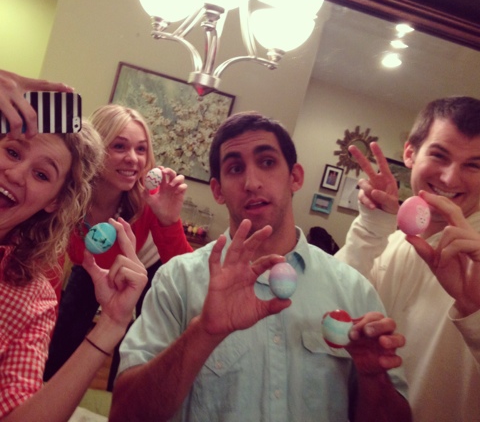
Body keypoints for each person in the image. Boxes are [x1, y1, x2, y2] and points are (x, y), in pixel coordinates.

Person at [110, 111, 412, 422]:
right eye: (235, 168)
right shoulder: (177, 280)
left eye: (267, 162)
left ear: (295, 177)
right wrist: (204, 331)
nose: (252, 183)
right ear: (217, 190)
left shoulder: (353, 290)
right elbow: (124, 415)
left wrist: (373, 378)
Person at [0, 70, 148, 421]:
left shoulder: (29, 298)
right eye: (12, 152)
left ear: (55, 200)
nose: (17, 174)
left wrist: (112, 324)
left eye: (42, 174)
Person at [336, 96, 480, 421]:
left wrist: (475, 309)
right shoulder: (391, 239)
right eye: (439, 155)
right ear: (410, 153)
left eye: (474, 165)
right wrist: (371, 229)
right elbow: (329, 312)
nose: (450, 179)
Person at [44, 104, 193, 385]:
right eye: (120, 146)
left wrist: (169, 219)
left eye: (141, 149)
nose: (133, 159)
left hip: (148, 269)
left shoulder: (150, 199)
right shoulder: (67, 198)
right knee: (62, 335)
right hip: (91, 268)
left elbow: (186, 273)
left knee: (136, 348)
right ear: (95, 149)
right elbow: (49, 278)